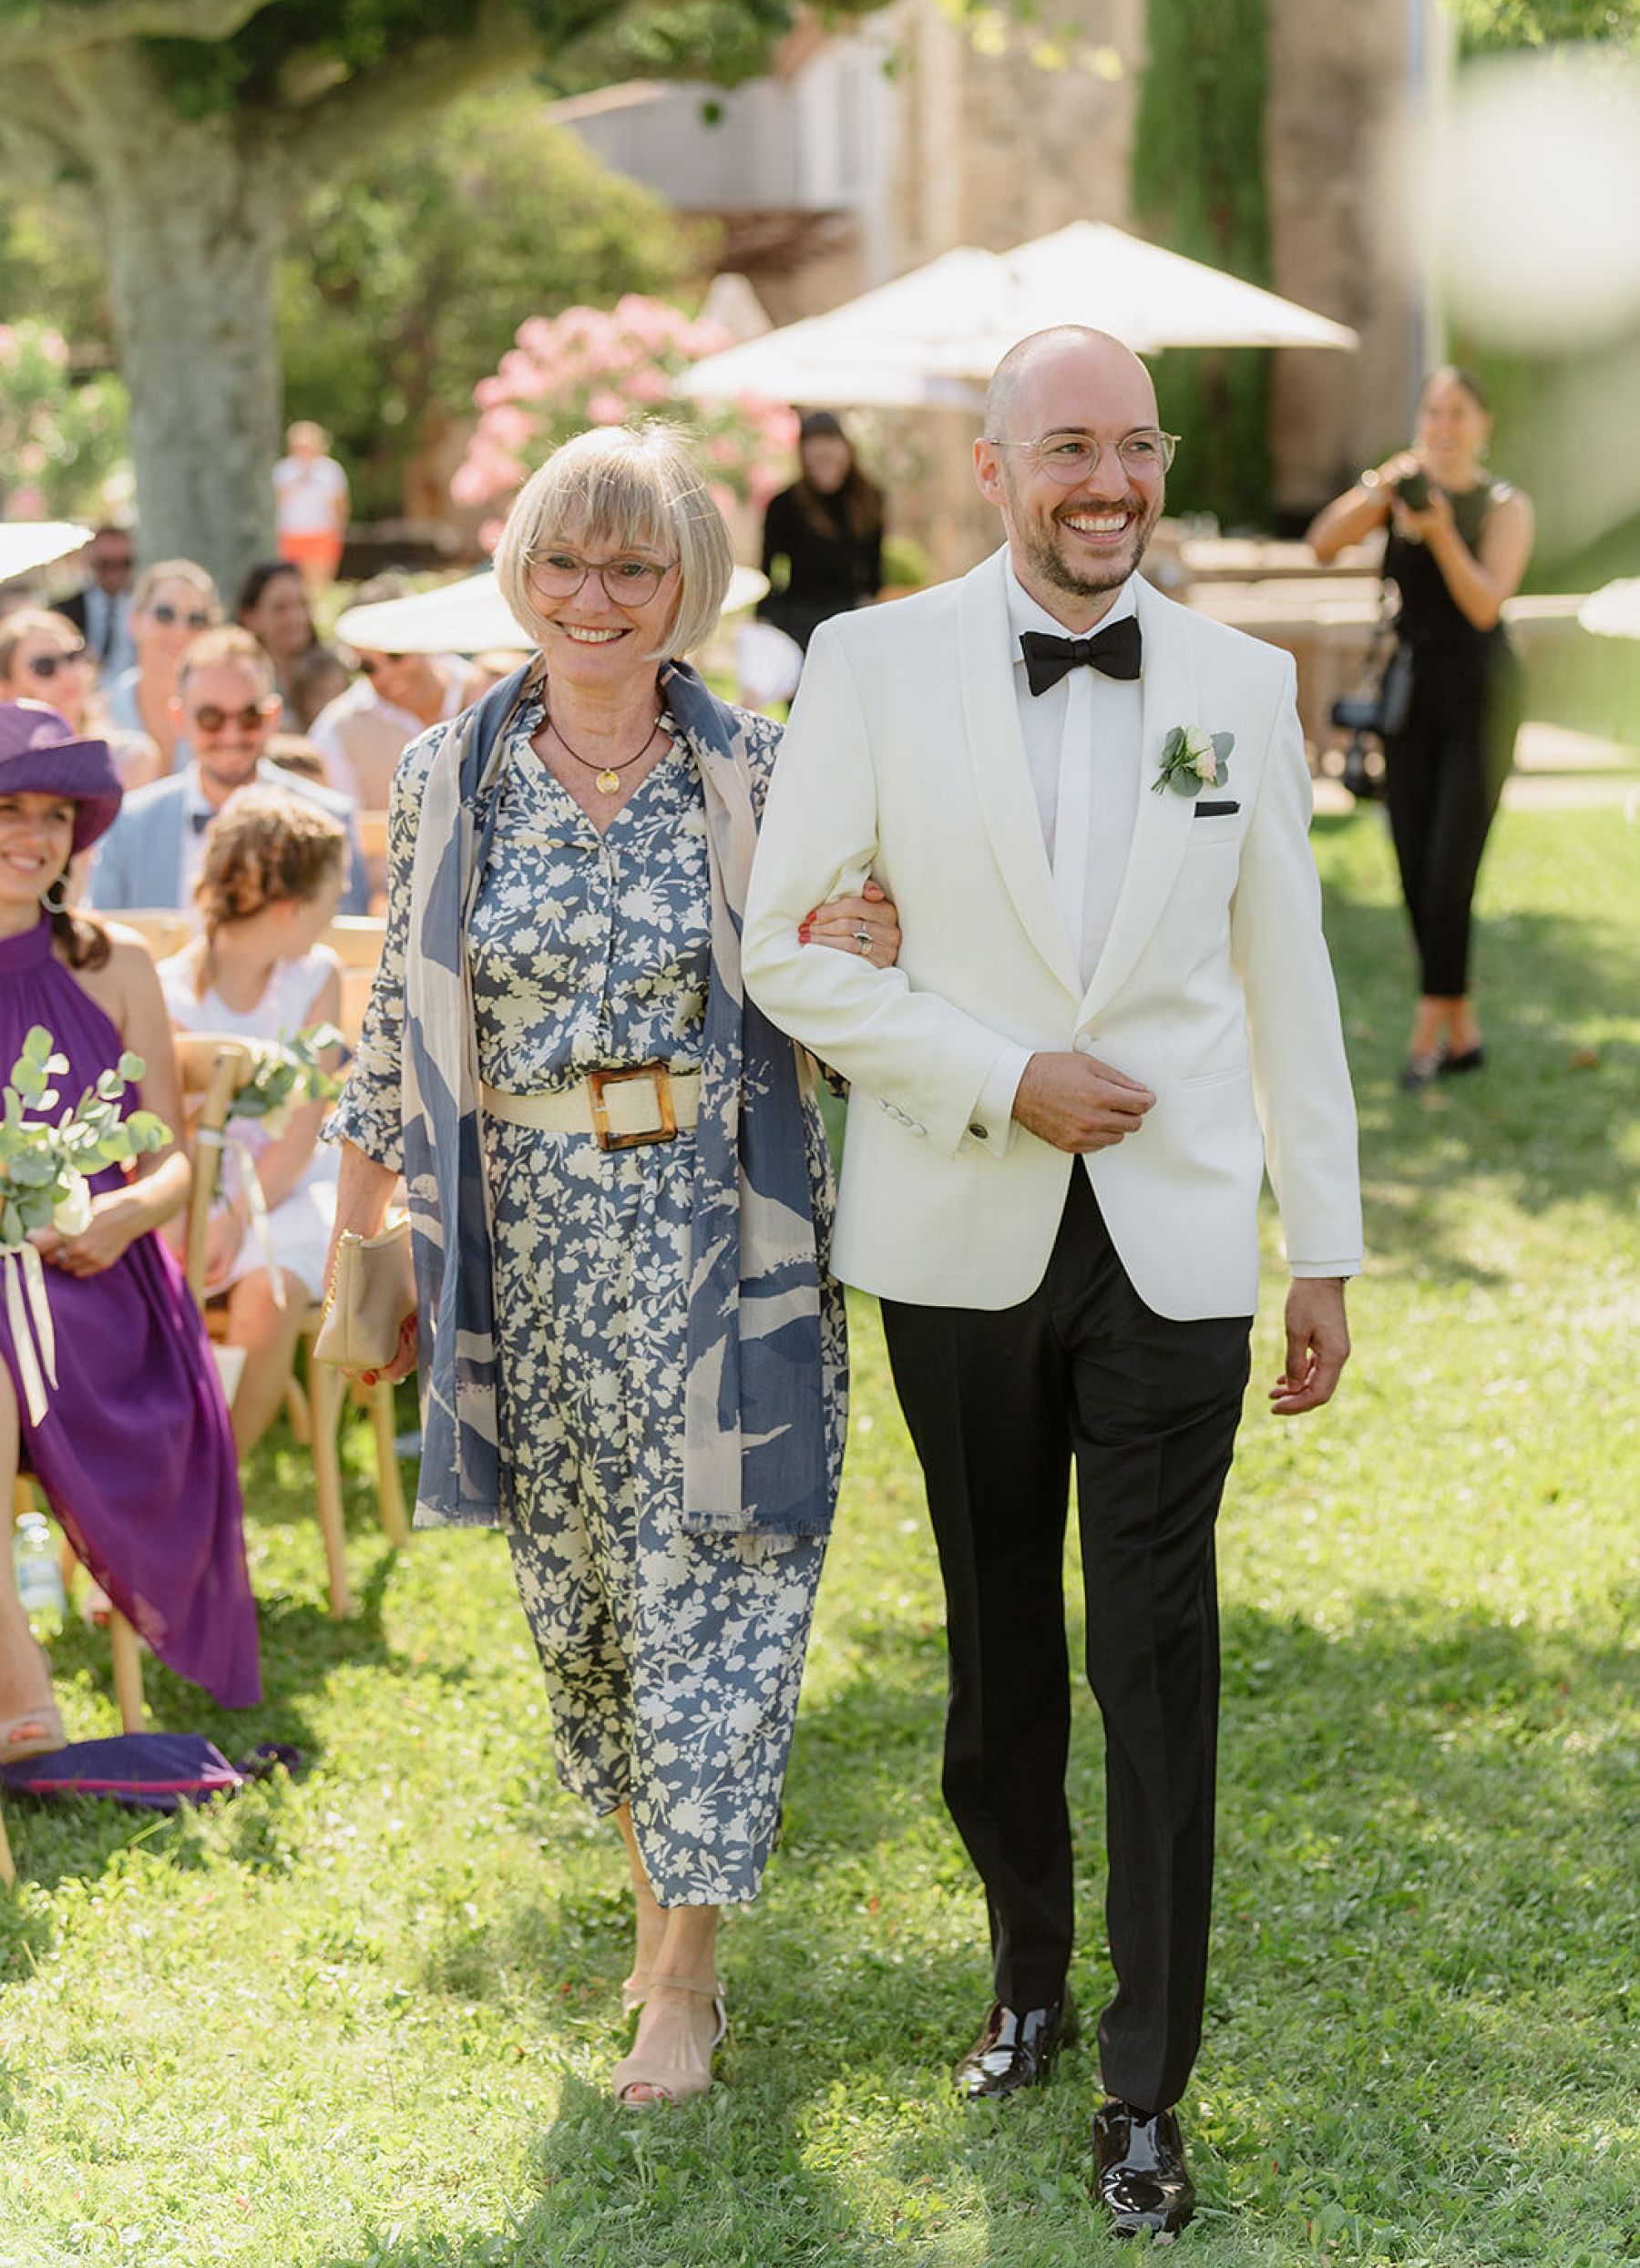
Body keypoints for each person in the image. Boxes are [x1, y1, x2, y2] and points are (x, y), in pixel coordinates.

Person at [742, 327, 1362, 2240]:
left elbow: (1291, 977)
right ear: (995, 465)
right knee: (1002, 1644)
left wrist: (1321, 1239)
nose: (1107, 483)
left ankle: (1146, 2074)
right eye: (1067, 448)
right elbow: (792, 948)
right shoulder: (871, 661)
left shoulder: (1243, 684)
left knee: (1154, 1657)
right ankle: (1023, 1971)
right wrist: (999, 1069)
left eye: (1135, 451)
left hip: (1177, 1245)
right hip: (957, 1226)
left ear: (1161, 466)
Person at [323, 424, 902, 2110]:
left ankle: (684, 1974)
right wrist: (360, 1238)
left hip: (726, 1232)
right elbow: (391, 1017)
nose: (595, 596)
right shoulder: (451, 770)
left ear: (686, 592)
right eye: (566, 562)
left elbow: (856, 984)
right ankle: (659, 1913)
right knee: (590, 1613)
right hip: (529, 1245)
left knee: (714, 1587)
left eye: (633, 567)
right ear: (521, 570)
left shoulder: (765, 772)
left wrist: (876, 941)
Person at [0, 701, 261, 1754]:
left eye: (54, 814)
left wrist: (121, 1213)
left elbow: (169, 1162)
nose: (32, 833)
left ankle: (24, 1708)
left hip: (95, 1285)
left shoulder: (117, 965)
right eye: (6, 807)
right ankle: (22, 1687)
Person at [1307, 366, 1534, 1088]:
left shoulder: (1503, 505)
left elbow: (1484, 606)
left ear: (1483, 425)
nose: (1442, 425)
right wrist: (1381, 489)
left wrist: (1438, 533)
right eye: (1432, 411)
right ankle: (1463, 1029)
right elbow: (1322, 543)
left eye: (1458, 412)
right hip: (1410, 700)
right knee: (1412, 866)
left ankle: (1426, 1035)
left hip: (1482, 700)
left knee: (1449, 869)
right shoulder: (1399, 492)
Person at [160, 789, 345, 1460]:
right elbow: (170, 1130)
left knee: (265, 1294)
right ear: (292, 907)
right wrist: (206, 1214)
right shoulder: (170, 993)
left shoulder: (314, 977)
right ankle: (163, 1465)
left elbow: (299, 1133)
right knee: (168, 1288)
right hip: (189, 1192)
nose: (341, 902)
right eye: (335, 890)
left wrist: (239, 1214)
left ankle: (216, 1479)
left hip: (285, 1189)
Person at [89, 628, 371, 915]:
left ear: (272, 717)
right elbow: (104, 946)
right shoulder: (129, 825)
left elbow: (346, 945)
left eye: (249, 717)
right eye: (211, 718)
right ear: (180, 719)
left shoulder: (329, 820)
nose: (232, 735)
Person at [308, 623, 480, 812]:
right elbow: (347, 825)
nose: (386, 674)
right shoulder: (335, 728)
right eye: (368, 667)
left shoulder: (485, 687)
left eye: (395, 655)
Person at [760, 411, 885, 659]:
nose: (826, 469)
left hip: (849, 616)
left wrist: (870, 610)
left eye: (831, 459)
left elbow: (875, 568)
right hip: (798, 618)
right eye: (818, 460)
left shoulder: (868, 501)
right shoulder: (785, 504)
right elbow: (768, 568)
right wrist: (767, 618)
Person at [0, 608, 159, 789]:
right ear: (5, 687)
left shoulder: (127, 758)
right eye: (44, 666)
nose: (68, 674)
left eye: (72, 657)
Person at [103, 557, 220, 775]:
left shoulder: (225, 720)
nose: (180, 631)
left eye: (196, 620)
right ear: (134, 621)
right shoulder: (100, 713)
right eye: (165, 614)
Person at [236, 559, 320, 725]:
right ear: (249, 617)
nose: (296, 617)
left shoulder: (330, 674)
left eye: (302, 604)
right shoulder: (238, 682)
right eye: (280, 608)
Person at [273, 422, 350, 590]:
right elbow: (276, 502)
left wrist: (338, 532)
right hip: (291, 533)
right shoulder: (283, 470)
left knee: (319, 585)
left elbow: (340, 506)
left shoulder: (331, 471)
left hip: (321, 533)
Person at [57, 522, 136, 673]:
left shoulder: (145, 607)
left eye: (124, 563)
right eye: (106, 564)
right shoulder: (64, 611)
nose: (115, 572)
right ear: (91, 562)